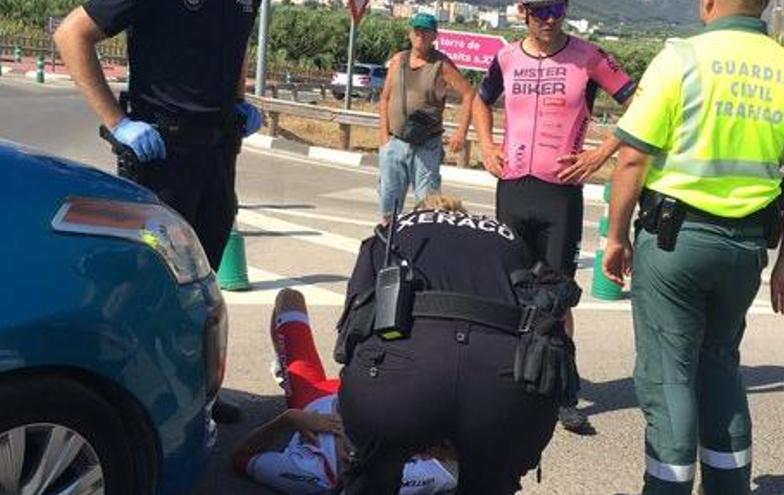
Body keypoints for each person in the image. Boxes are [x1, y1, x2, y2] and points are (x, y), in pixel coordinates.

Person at [602, 0, 784, 493]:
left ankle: (668, 486)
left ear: (708, 3)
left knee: (669, 374)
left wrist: (617, 237)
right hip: (745, 249)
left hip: (674, 243)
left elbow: (632, 161)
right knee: (721, 364)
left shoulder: (681, 59)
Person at [54, 0, 264, 422]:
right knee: (150, 289)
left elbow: (235, 44)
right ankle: (139, 405)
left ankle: (199, 393)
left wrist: (238, 100)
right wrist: (118, 122)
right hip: (162, 153)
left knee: (202, 287)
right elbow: (71, 34)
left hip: (218, 152)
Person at [335, 193, 580, 494]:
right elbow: (556, 316)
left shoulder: (391, 233)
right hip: (504, 384)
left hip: (399, 381)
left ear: (418, 213)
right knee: (491, 478)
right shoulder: (509, 238)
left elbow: (352, 327)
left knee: (372, 472)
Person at [472, 0, 636, 433]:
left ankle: (563, 393)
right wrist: (487, 146)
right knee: (510, 289)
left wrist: (600, 153)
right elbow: (479, 99)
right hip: (513, 187)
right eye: (542, 9)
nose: (550, 19)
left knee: (557, 296)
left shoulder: (589, 56)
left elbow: (639, 104)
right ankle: (510, 383)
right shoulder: (506, 57)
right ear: (524, 10)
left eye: (558, 8)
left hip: (559, 193)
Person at [231, 288, 457, 495]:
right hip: (378, 389)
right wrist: (431, 445)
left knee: (290, 298)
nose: (351, 459)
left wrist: (289, 419)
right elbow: (463, 459)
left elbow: (241, 457)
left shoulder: (311, 477)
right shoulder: (414, 479)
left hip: (313, 398)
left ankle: (285, 366)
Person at [377, 13, 476, 224]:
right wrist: (384, 137)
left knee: (428, 205)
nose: (420, 35)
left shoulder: (441, 65)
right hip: (395, 142)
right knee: (389, 204)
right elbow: (384, 98)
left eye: (426, 32)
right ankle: (387, 244)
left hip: (426, 144)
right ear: (410, 33)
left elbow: (468, 94)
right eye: (417, 30)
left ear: (434, 37)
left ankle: (423, 249)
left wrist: (461, 132)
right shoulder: (398, 61)